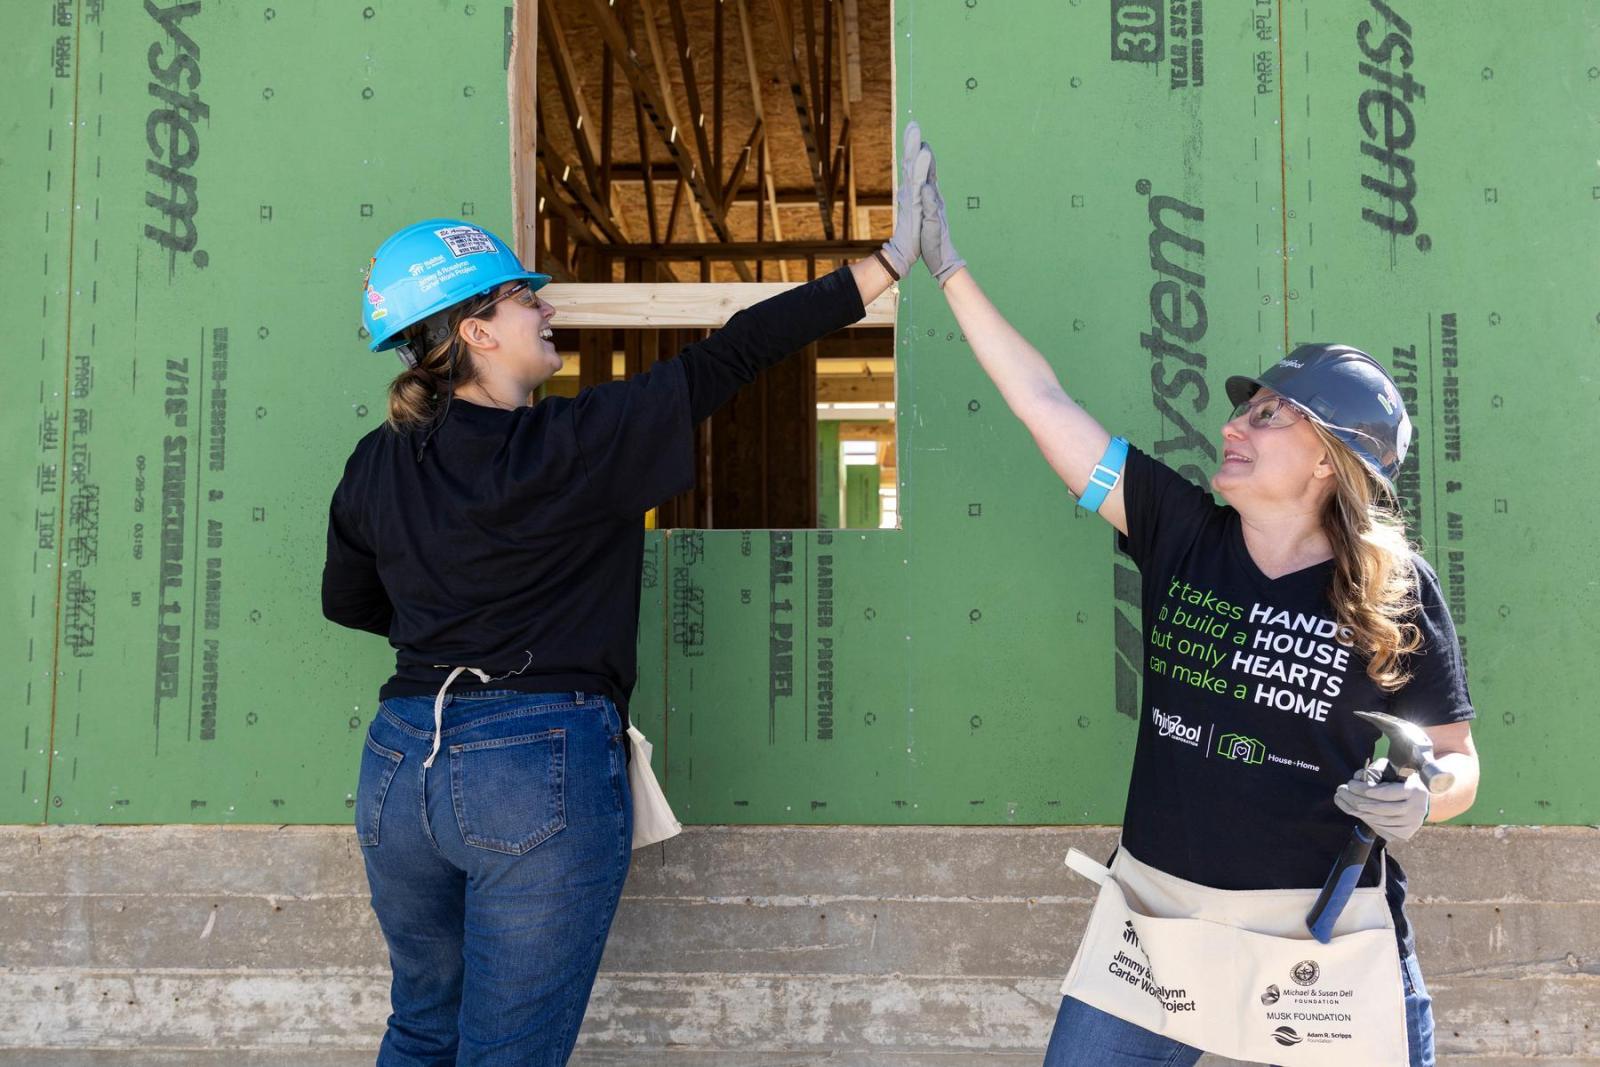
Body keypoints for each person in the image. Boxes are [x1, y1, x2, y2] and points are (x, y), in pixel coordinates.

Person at [321, 127, 930, 1065]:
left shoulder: (377, 460)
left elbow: (349, 600)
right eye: (527, 297)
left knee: (420, 1027)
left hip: (400, 771)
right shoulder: (574, 443)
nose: (547, 305)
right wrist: (886, 266)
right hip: (531, 767)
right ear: (476, 330)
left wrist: (454, 619)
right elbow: (735, 355)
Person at [912, 135, 1478, 1067]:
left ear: (1333, 458)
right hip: (1154, 933)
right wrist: (949, 268)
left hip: (1315, 941)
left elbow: (1458, 760)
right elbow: (1041, 400)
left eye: (1268, 413)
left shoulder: (1393, 588)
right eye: (1244, 408)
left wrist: (1425, 794)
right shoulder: (1181, 532)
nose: (1233, 424)